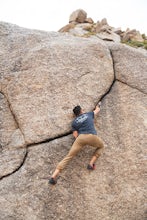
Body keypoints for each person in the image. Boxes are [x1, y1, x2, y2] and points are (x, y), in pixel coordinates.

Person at [49, 103, 104, 185]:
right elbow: (97, 110)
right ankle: (91, 164)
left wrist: (81, 142)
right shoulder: (88, 114)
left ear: (75, 114)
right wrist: (98, 105)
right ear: (81, 110)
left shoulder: (74, 122)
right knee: (101, 146)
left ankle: (53, 177)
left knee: (68, 156)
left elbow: (75, 135)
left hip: (80, 138)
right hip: (91, 136)